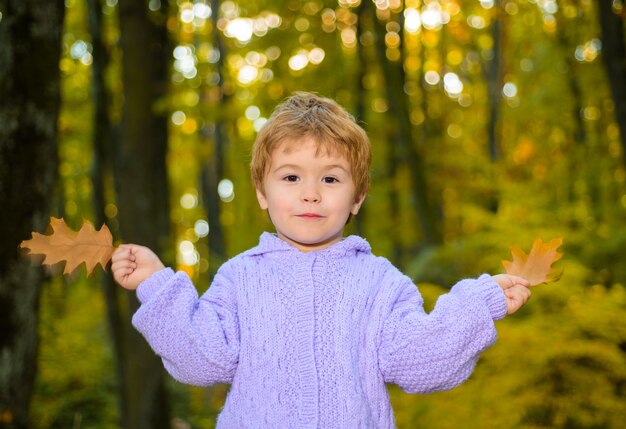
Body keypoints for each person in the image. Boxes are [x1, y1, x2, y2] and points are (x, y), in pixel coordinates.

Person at [111, 92, 531, 428]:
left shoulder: (379, 282)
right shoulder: (240, 277)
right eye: (291, 177)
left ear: (357, 197)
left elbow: (422, 361)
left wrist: (477, 305)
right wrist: (156, 284)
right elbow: (202, 360)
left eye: (330, 178)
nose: (310, 192)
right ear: (262, 192)